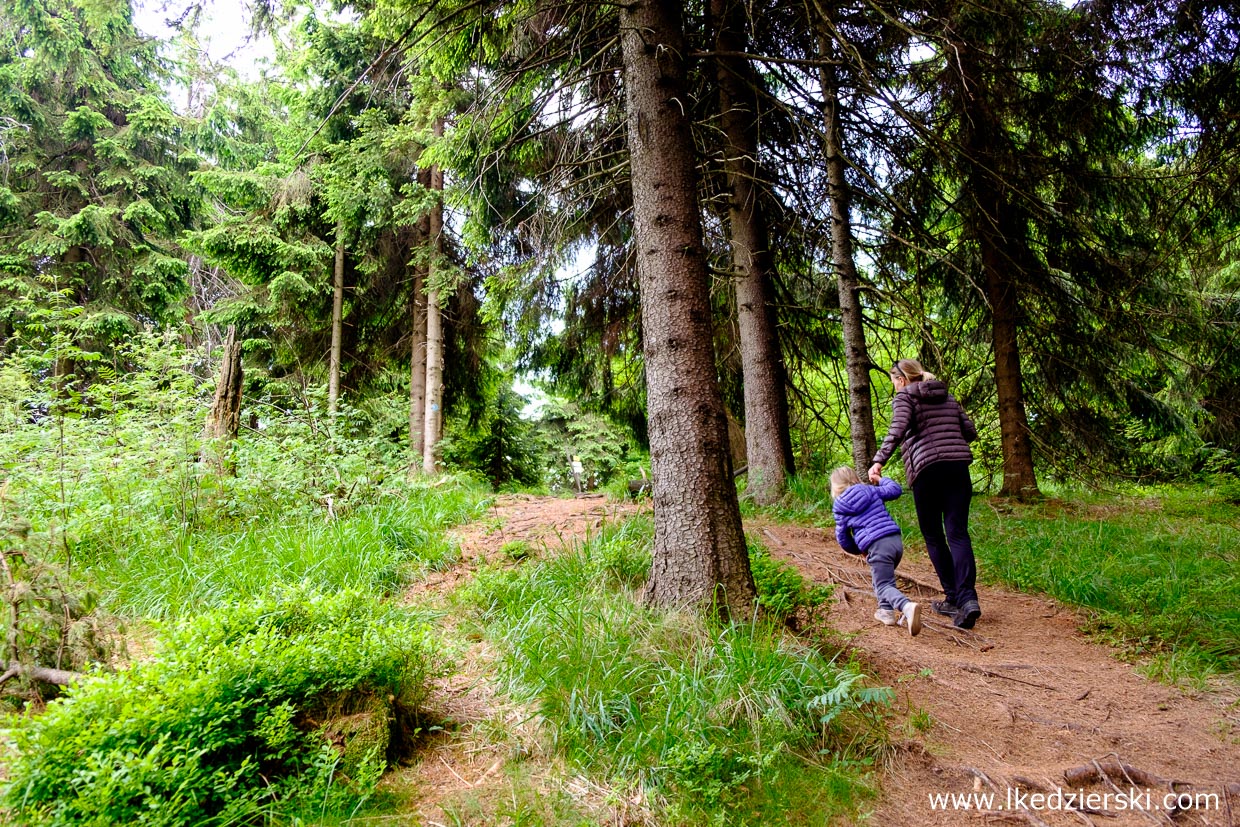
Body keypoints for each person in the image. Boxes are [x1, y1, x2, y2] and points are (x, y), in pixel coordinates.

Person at [868, 358, 981, 629]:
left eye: (894, 381)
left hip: (927, 471)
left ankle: (953, 596)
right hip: (957, 468)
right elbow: (970, 431)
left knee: (933, 535)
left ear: (903, 379)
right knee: (957, 533)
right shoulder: (947, 396)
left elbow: (898, 429)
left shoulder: (905, 397)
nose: (894, 387)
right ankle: (967, 599)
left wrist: (878, 461)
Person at [830, 466, 922, 637]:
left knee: (883, 584)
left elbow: (843, 537)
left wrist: (859, 550)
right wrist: (880, 479)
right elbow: (895, 490)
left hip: (876, 545)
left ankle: (906, 606)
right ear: (855, 478)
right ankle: (886, 612)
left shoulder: (839, 506)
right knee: (882, 578)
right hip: (895, 541)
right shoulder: (870, 491)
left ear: (835, 487)